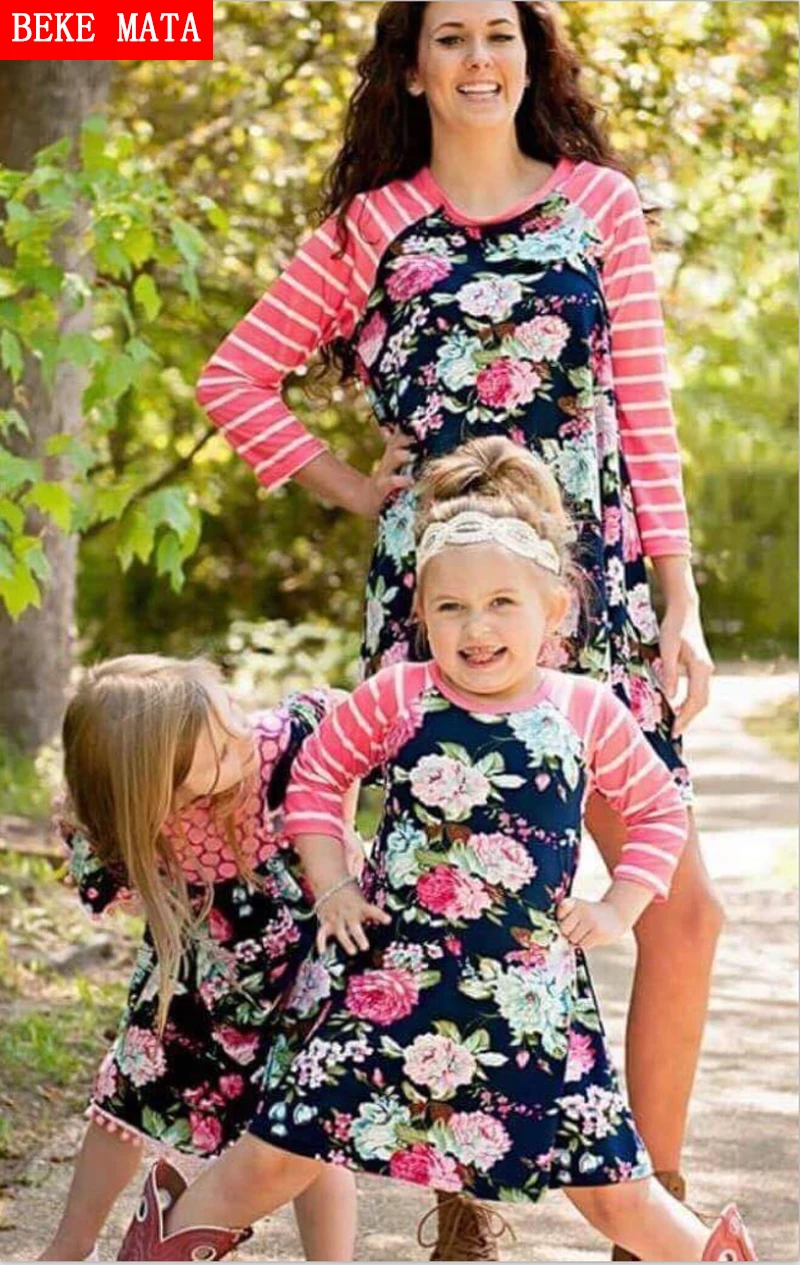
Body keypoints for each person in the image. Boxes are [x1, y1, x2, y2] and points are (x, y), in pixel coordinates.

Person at [195, 3, 719, 1257]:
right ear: (412, 67)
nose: (478, 58)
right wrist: (351, 486)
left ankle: (650, 1213)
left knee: (681, 905)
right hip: (440, 604)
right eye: (450, 38)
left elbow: (642, 412)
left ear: (530, 57)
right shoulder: (371, 224)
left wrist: (679, 598)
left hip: (589, 588)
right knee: (449, 904)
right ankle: (459, 1201)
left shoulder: (600, 204)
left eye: (499, 33)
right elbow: (233, 377)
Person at [114, 438, 756, 1264]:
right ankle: (161, 1247)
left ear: (555, 608)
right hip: (390, 988)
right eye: (451, 607)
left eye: (501, 603)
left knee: (613, 1189)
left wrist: (619, 904)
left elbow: (660, 810)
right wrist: (332, 884)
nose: (476, 627)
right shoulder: (398, 696)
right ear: (421, 611)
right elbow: (316, 777)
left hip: (531, 1003)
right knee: (283, 1145)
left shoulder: (586, 709)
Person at [37, 655, 358, 1263]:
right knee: (127, 1092)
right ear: (160, 788)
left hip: (300, 969)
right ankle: (69, 1247)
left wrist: (337, 834)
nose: (240, 738)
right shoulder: (133, 820)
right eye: (218, 750)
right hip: (193, 973)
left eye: (230, 715)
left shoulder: (271, 747)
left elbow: (337, 713)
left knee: (308, 1126)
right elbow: (109, 864)